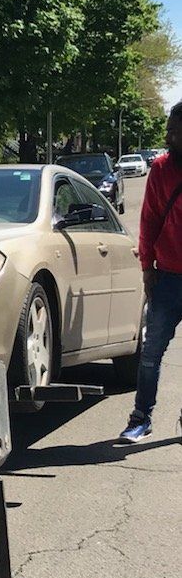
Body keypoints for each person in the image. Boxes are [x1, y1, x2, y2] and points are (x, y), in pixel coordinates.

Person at [119, 103, 182, 442]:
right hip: (168, 277)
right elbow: (150, 220)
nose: (170, 134)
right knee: (151, 352)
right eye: (170, 129)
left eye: (176, 129)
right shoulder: (161, 168)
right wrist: (147, 266)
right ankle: (141, 417)